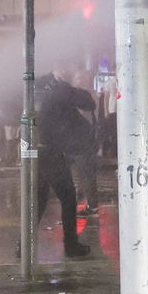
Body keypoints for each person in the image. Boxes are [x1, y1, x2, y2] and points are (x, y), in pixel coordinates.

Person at [34, 71, 94, 259]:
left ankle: (24, 243)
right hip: (52, 150)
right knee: (68, 197)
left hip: (37, 148)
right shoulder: (60, 88)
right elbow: (88, 103)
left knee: (39, 198)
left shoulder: (37, 86)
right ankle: (71, 245)